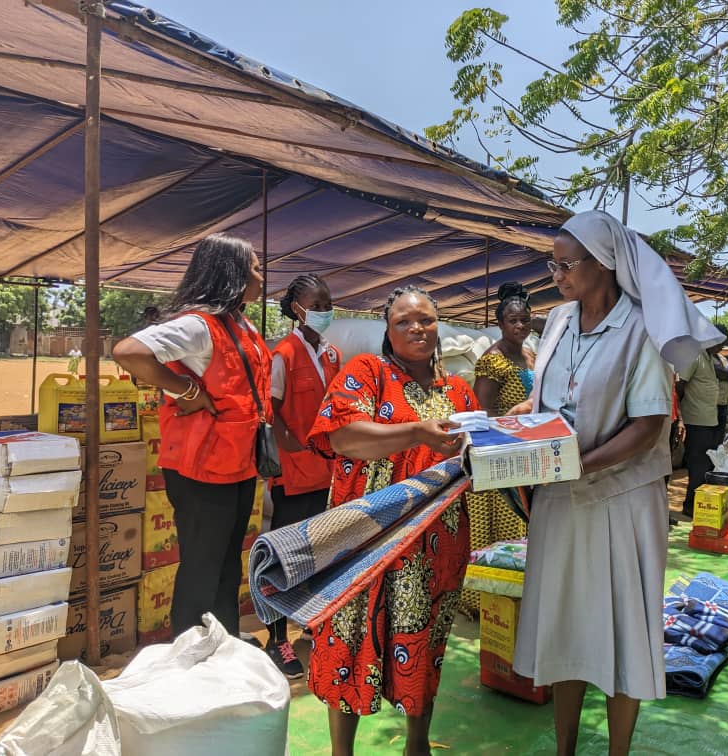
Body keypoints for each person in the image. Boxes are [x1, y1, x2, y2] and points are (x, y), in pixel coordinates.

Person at [509, 210, 723, 755]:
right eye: (551, 265)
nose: (556, 275)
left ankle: (617, 750)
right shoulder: (556, 321)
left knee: (624, 626)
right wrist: (513, 425)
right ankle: (564, 749)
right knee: (565, 625)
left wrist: (584, 462)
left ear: (603, 264)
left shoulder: (640, 327)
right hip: (560, 499)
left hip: (621, 500)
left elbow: (649, 425)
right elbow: (546, 400)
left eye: (566, 265)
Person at [305, 285, 477, 756]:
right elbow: (341, 436)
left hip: (435, 543)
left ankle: (416, 745)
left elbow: (476, 457)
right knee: (347, 638)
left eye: (425, 319)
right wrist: (416, 432)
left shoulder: (458, 391)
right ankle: (343, 752)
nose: (416, 328)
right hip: (364, 540)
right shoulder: (368, 373)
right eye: (404, 321)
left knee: (424, 640)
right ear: (388, 329)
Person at [112, 234, 267, 637]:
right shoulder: (199, 325)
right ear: (230, 272)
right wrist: (189, 391)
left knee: (227, 563)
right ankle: (191, 655)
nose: (261, 275)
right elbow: (129, 351)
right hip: (203, 469)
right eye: (254, 267)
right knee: (202, 567)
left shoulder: (241, 323)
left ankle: (224, 644)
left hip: (237, 463)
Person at [263, 274, 341, 678]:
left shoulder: (332, 355)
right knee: (283, 559)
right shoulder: (285, 354)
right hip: (294, 475)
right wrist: (291, 446)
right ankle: (276, 640)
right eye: (319, 304)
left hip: (326, 474)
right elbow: (271, 410)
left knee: (320, 556)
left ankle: (312, 626)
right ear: (298, 308)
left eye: (329, 304)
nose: (326, 311)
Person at [461, 282, 533, 614]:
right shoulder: (494, 360)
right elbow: (482, 412)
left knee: (520, 526)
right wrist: (511, 417)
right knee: (497, 527)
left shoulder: (529, 354)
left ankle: (512, 594)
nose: (519, 327)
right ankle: (484, 601)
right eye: (513, 321)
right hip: (498, 454)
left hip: (523, 452)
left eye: (524, 320)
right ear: (501, 324)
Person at [678, 344, 721, 518]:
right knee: (698, 465)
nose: (721, 348)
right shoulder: (694, 356)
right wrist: (680, 418)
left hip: (709, 419)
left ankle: (700, 504)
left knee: (707, 465)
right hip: (695, 420)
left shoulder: (709, 358)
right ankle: (690, 505)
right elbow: (680, 385)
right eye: (720, 344)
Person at [710, 325, 728, 448]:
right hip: (712, 404)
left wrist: (725, 373)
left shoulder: (721, 358)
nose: (722, 348)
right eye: (720, 344)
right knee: (711, 435)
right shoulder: (705, 357)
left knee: (719, 435)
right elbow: (721, 372)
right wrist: (725, 373)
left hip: (723, 402)